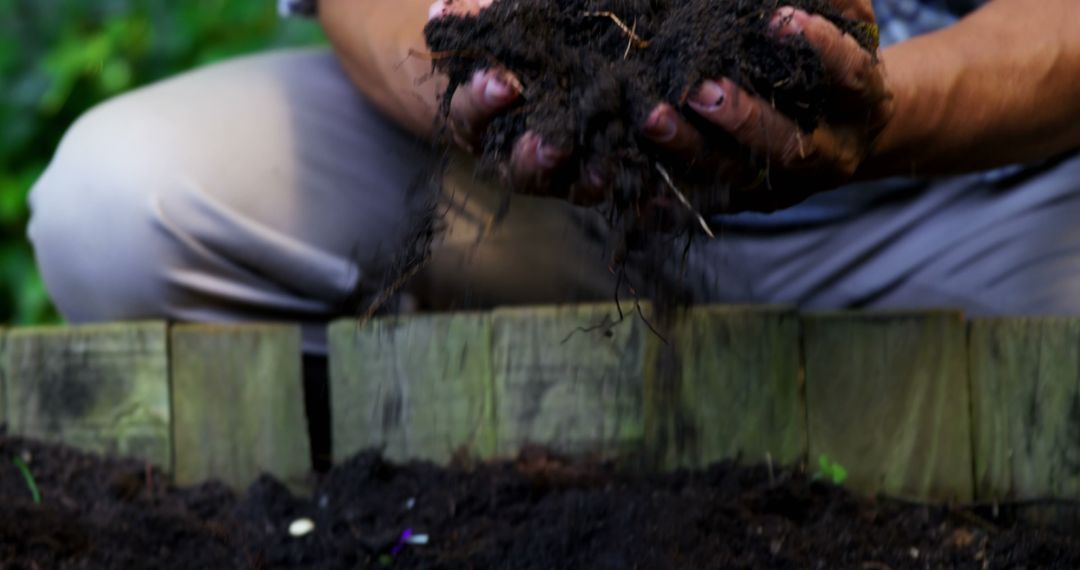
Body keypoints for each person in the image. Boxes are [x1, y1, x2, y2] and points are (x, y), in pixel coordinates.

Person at [27, 0, 1080, 347]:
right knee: (125, 205)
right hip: (556, 181)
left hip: (976, 197)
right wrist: (463, 74)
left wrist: (885, 108)